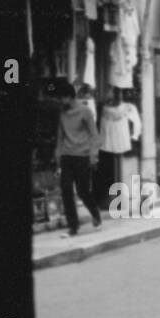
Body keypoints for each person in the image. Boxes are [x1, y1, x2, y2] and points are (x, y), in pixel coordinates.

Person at [55, 78, 101, 237]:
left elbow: (95, 135)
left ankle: (95, 213)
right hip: (67, 156)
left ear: (69, 96)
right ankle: (73, 227)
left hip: (82, 156)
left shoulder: (85, 111)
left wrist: (93, 157)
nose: (60, 101)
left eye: (61, 97)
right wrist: (57, 158)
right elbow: (60, 137)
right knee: (66, 190)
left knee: (82, 191)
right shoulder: (62, 113)